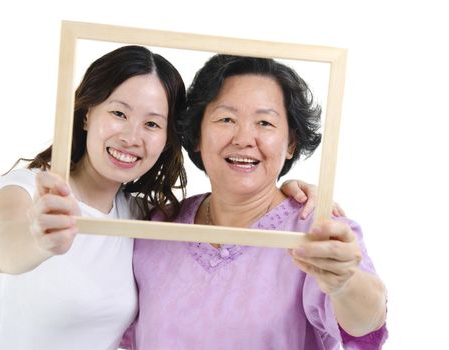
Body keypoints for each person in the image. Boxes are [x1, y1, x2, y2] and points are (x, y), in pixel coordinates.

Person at [0, 46, 318, 350]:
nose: (131, 137)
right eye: (119, 114)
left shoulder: (143, 218)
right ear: (86, 113)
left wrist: (288, 194)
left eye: (152, 124)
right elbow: (6, 248)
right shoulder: (25, 189)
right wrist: (39, 238)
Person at [121, 55, 388, 349]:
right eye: (226, 119)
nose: (244, 138)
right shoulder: (156, 226)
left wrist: (345, 282)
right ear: (196, 135)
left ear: (291, 144)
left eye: (264, 122)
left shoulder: (320, 229)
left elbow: (366, 324)